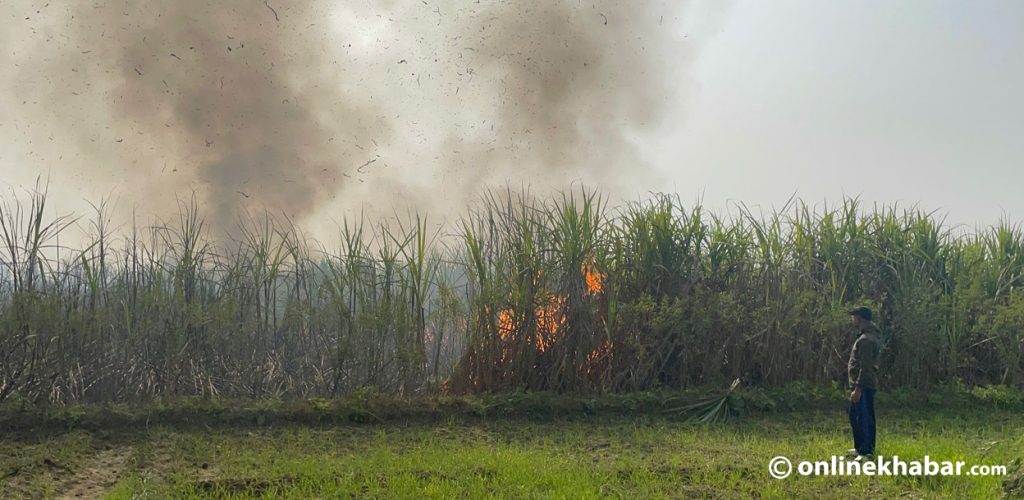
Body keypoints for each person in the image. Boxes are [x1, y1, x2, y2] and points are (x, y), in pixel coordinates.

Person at [846, 306, 881, 459]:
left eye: (854, 316)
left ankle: (867, 451)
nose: (852, 319)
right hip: (861, 385)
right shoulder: (866, 336)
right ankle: (860, 447)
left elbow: (865, 367)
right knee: (856, 416)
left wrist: (858, 388)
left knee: (864, 417)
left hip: (864, 385)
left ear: (860, 318)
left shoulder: (866, 340)